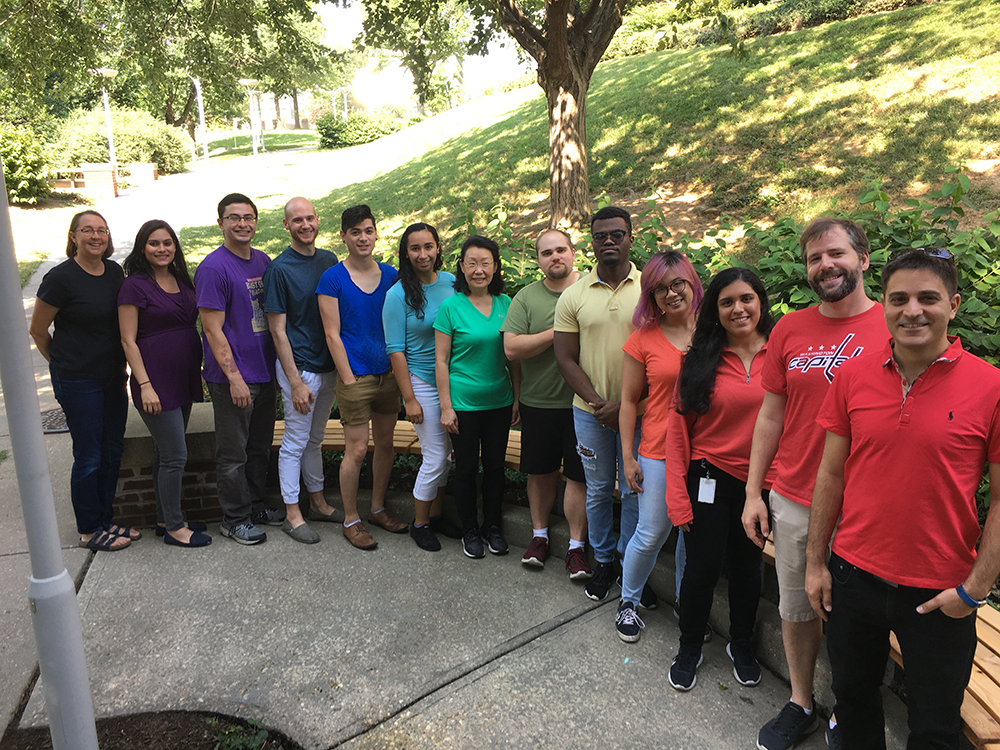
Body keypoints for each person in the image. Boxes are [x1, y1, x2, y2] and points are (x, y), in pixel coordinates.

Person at [806, 248, 1000, 750]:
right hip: (852, 576)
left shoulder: (991, 387)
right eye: (900, 299)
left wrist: (974, 589)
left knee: (935, 729)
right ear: (885, 306)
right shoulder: (852, 375)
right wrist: (815, 563)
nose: (912, 310)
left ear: (954, 305)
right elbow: (830, 474)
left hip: (941, 591)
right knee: (852, 704)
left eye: (928, 298)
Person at [742, 218, 887, 750]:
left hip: (870, 507)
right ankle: (801, 701)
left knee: (861, 623)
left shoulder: (894, 326)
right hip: (796, 497)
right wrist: (755, 492)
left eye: (836, 253)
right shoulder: (789, 330)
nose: (824, 265)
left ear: (863, 259)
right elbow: (770, 417)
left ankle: (851, 714)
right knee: (797, 608)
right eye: (813, 259)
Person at [665, 267, 776, 692]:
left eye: (746, 298)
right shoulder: (699, 360)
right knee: (702, 569)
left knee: (748, 569)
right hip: (707, 479)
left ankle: (741, 644)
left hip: (762, 485)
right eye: (726, 301)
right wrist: (678, 497)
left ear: (760, 301)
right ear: (715, 309)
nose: (738, 308)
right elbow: (678, 435)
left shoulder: (782, 353)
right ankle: (690, 645)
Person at [553, 206, 645, 603]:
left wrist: (628, 406)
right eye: (601, 236)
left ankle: (629, 565)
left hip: (642, 412)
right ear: (592, 242)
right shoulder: (574, 295)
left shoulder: (652, 288)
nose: (609, 241)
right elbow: (565, 358)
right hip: (589, 412)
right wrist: (597, 402)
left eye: (617, 234)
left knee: (634, 488)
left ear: (630, 237)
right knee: (597, 489)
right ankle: (604, 560)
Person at [30, 210, 136, 551]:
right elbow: (37, 330)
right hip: (78, 381)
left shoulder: (114, 272)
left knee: (112, 450)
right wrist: (63, 365)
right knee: (89, 455)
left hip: (111, 377)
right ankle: (90, 530)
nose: (96, 236)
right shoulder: (60, 279)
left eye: (101, 230)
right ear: (73, 236)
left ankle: (106, 520)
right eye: (87, 230)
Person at [615, 250, 703, 642]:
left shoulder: (715, 332)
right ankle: (628, 602)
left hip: (708, 454)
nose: (670, 294)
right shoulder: (643, 339)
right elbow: (630, 402)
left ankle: (687, 603)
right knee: (651, 533)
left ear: (692, 282)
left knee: (693, 536)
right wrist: (628, 457)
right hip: (657, 451)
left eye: (677, 284)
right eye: (659, 289)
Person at [502, 229, 590, 579]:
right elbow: (512, 349)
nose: (555, 257)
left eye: (561, 250)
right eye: (547, 253)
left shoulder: (591, 290)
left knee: (579, 478)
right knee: (540, 473)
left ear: (573, 253)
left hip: (584, 404)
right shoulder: (526, 297)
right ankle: (539, 537)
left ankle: (576, 547)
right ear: (538, 260)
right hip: (539, 402)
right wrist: (560, 330)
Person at [317, 204, 406, 550]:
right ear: (343, 236)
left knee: (385, 444)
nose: (363, 238)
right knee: (355, 450)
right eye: (355, 232)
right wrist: (348, 379)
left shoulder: (391, 275)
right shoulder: (333, 279)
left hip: (389, 375)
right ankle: (351, 519)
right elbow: (331, 334)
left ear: (376, 232)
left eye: (368, 230)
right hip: (355, 378)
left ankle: (378, 508)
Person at [118, 220, 209, 548]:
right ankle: (175, 526)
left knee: (164, 452)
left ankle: (163, 517)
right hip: (154, 380)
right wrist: (144, 384)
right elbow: (128, 341)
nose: (162, 249)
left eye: (167, 242)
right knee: (175, 455)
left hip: (182, 376)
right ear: (142, 247)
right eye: (154, 243)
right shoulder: (134, 286)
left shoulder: (181, 278)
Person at [195, 193, 280, 546]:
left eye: (248, 217)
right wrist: (234, 378)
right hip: (235, 378)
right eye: (234, 218)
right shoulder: (214, 268)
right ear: (221, 223)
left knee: (259, 447)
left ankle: (255, 505)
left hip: (264, 372)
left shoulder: (262, 260)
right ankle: (234, 519)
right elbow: (212, 329)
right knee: (233, 454)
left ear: (256, 222)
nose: (242, 223)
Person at [435, 235, 520, 559]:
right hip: (463, 405)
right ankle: (470, 529)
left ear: (495, 267)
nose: (479, 270)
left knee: (496, 468)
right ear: (461, 267)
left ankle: (493, 527)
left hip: (499, 403)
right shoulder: (451, 306)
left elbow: (513, 357)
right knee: (467, 468)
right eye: (472, 263)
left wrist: (516, 397)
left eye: (485, 263)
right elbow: (440, 361)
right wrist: (446, 407)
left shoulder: (506, 304)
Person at [263, 197, 342, 545]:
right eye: (297, 220)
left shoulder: (328, 260)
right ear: (286, 225)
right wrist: (294, 381)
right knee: (294, 443)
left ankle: (319, 502)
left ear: (317, 220)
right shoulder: (279, 269)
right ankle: (292, 514)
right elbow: (277, 331)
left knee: (315, 439)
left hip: (328, 367)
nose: (305, 225)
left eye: (310, 218)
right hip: (301, 369)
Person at [384, 222, 464, 551]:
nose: (423, 254)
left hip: (454, 379)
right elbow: (395, 350)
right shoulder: (397, 294)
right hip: (421, 381)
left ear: (438, 248)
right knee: (434, 456)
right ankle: (419, 523)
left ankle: (436, 513)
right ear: (406, 253)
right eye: (415, 248)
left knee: (446, 454)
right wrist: (409, 399)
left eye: (428, 247)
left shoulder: (451, 283)